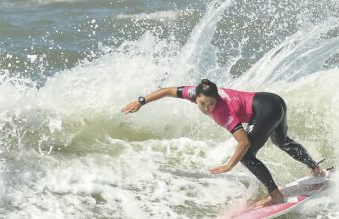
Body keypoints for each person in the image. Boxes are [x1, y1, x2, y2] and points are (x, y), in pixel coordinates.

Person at [121, 79, 325, 207]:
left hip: (267, 109)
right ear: (195, 97)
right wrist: (140, 102)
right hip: (273, 101)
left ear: (217, 99)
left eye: (211, 103)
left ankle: (275, 194)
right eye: (203, 103)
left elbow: (243, 143)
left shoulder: (222, 112)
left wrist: (229, 165)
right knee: (281, 140)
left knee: (245, 156)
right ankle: (314, 167)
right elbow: (166, 91)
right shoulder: (193, 92)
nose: (208, 108)